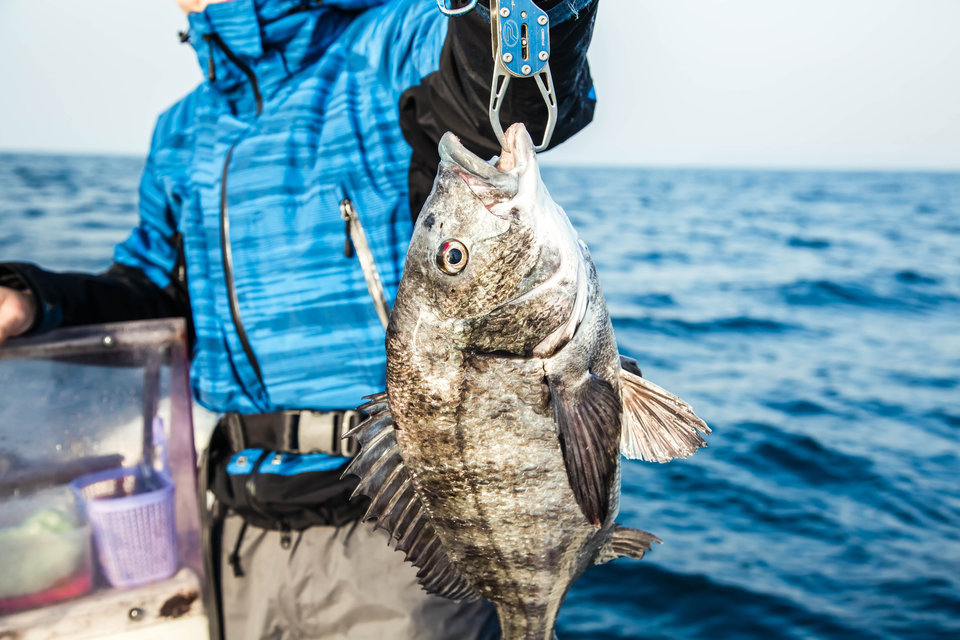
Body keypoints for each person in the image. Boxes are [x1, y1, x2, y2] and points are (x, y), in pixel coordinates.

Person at [0, 0, 599, 637]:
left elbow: (506, 100)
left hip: (399, 533)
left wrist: (522, 11)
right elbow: (153, 293)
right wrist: (33, 301)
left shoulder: (390, 43)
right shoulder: (181, 130)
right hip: (235, 532)